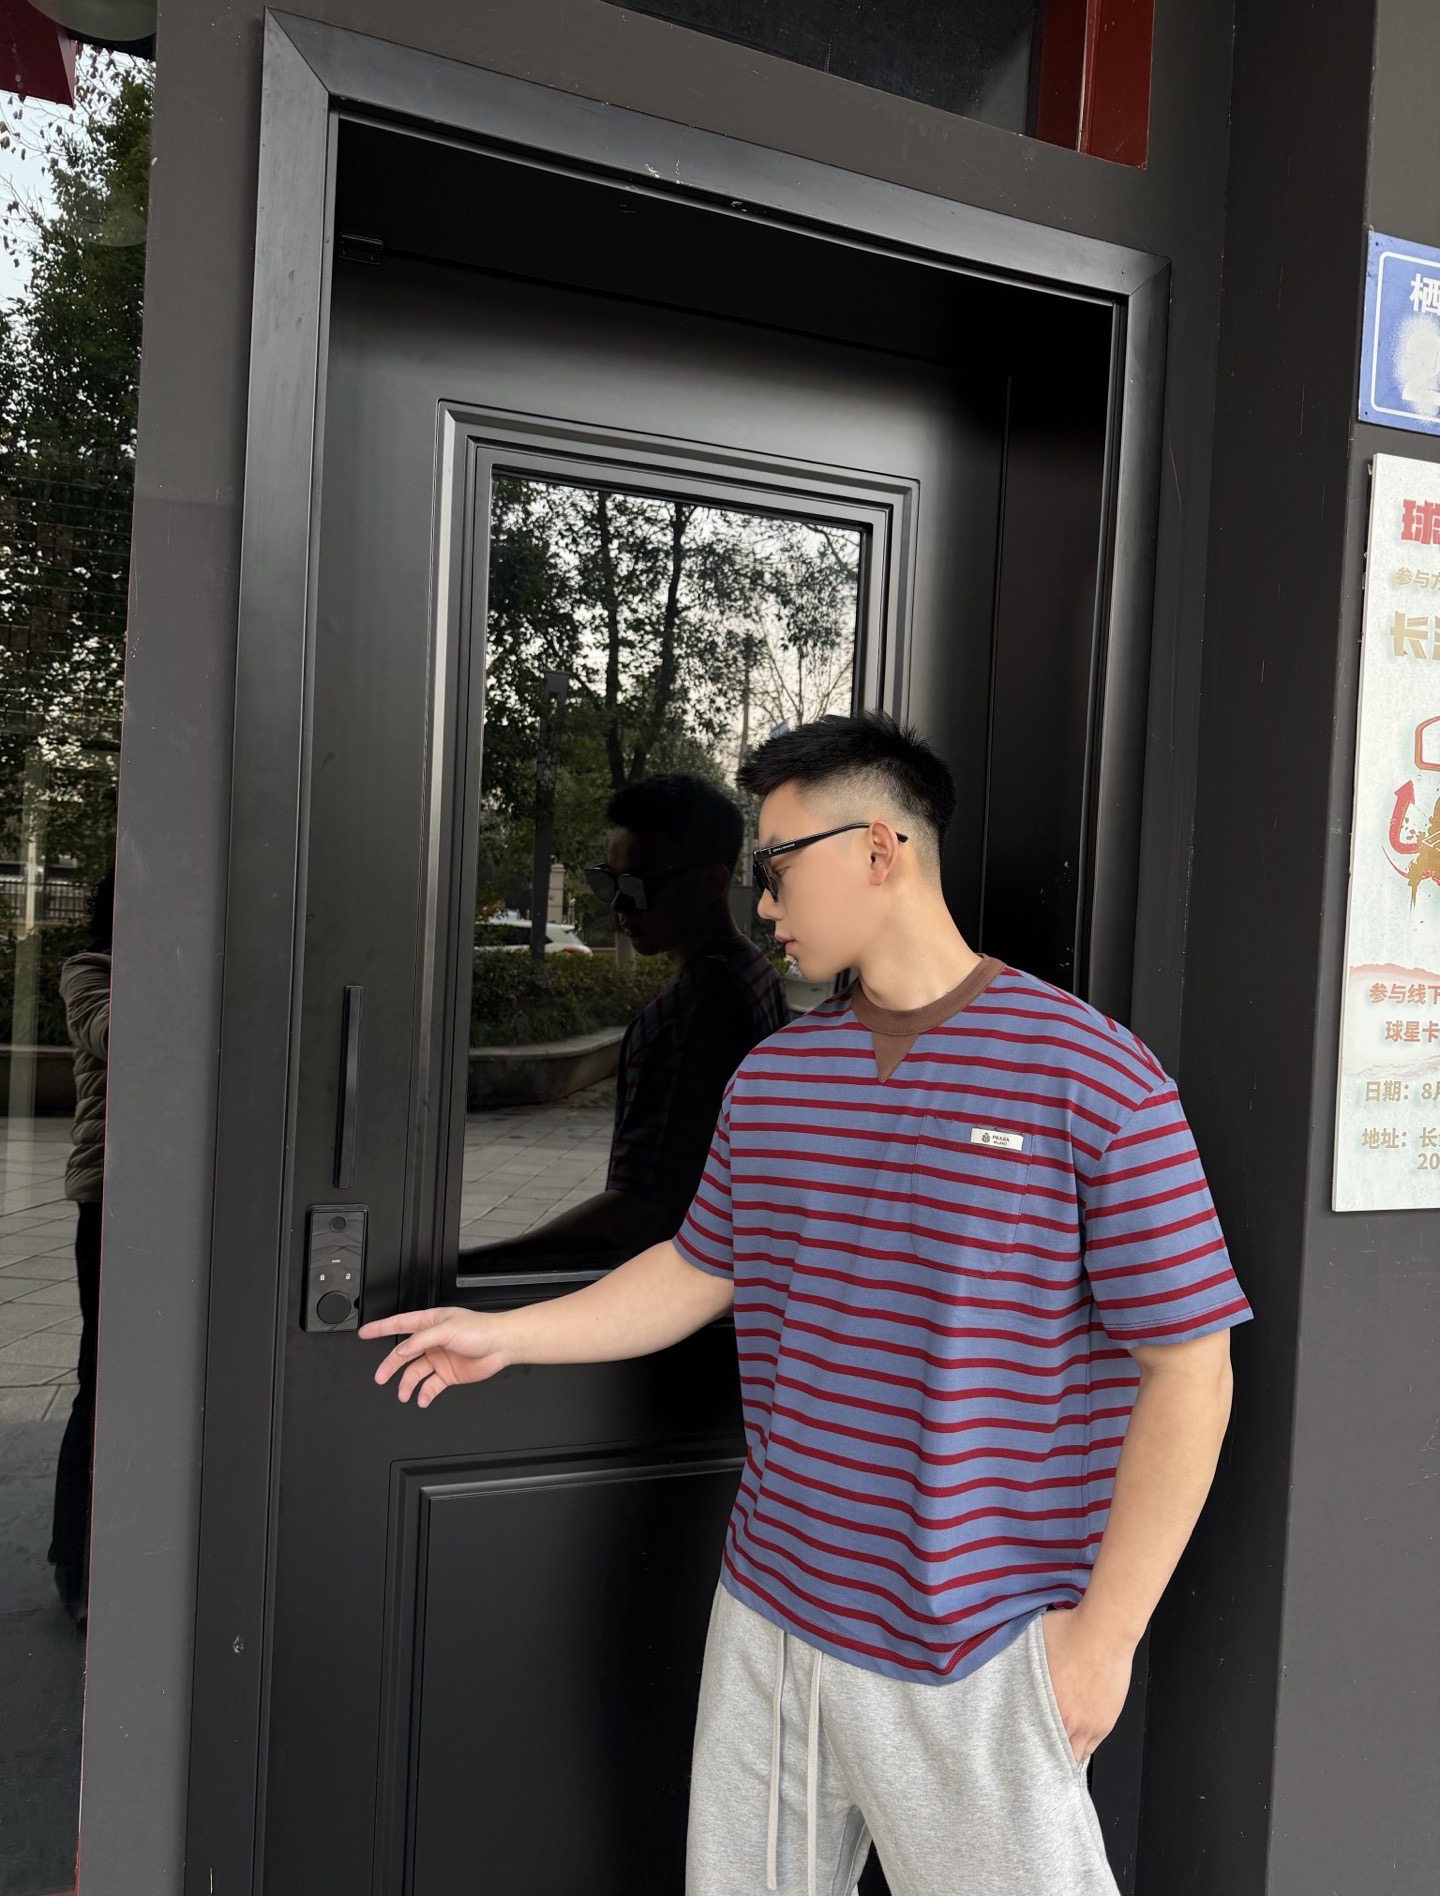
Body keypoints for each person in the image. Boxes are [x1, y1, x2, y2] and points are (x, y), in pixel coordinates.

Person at [361, 712, 1253, 1896]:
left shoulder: (1093, 1077)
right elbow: (697, 1269)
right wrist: (506, 1334)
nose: (763, 902)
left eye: (778, 865)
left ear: (880, 849)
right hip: (771, 1611)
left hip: (976, 1637)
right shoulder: (777, 1078)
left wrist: (1102, 1642)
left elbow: (1191, 1369)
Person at [466, 772, 789, 1272]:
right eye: (610, 881)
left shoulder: (689, 1014)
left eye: (640, 884)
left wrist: (467, 1267)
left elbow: (638, 1215)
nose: (619, 903)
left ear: (712, 882)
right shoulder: (756, 974)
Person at [48, 867, 113, 1630]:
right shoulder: (90, 971)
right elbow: (122, 1036)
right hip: (112, 1199)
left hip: (196, 1200)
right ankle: (76, 1559)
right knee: (103, 1379)